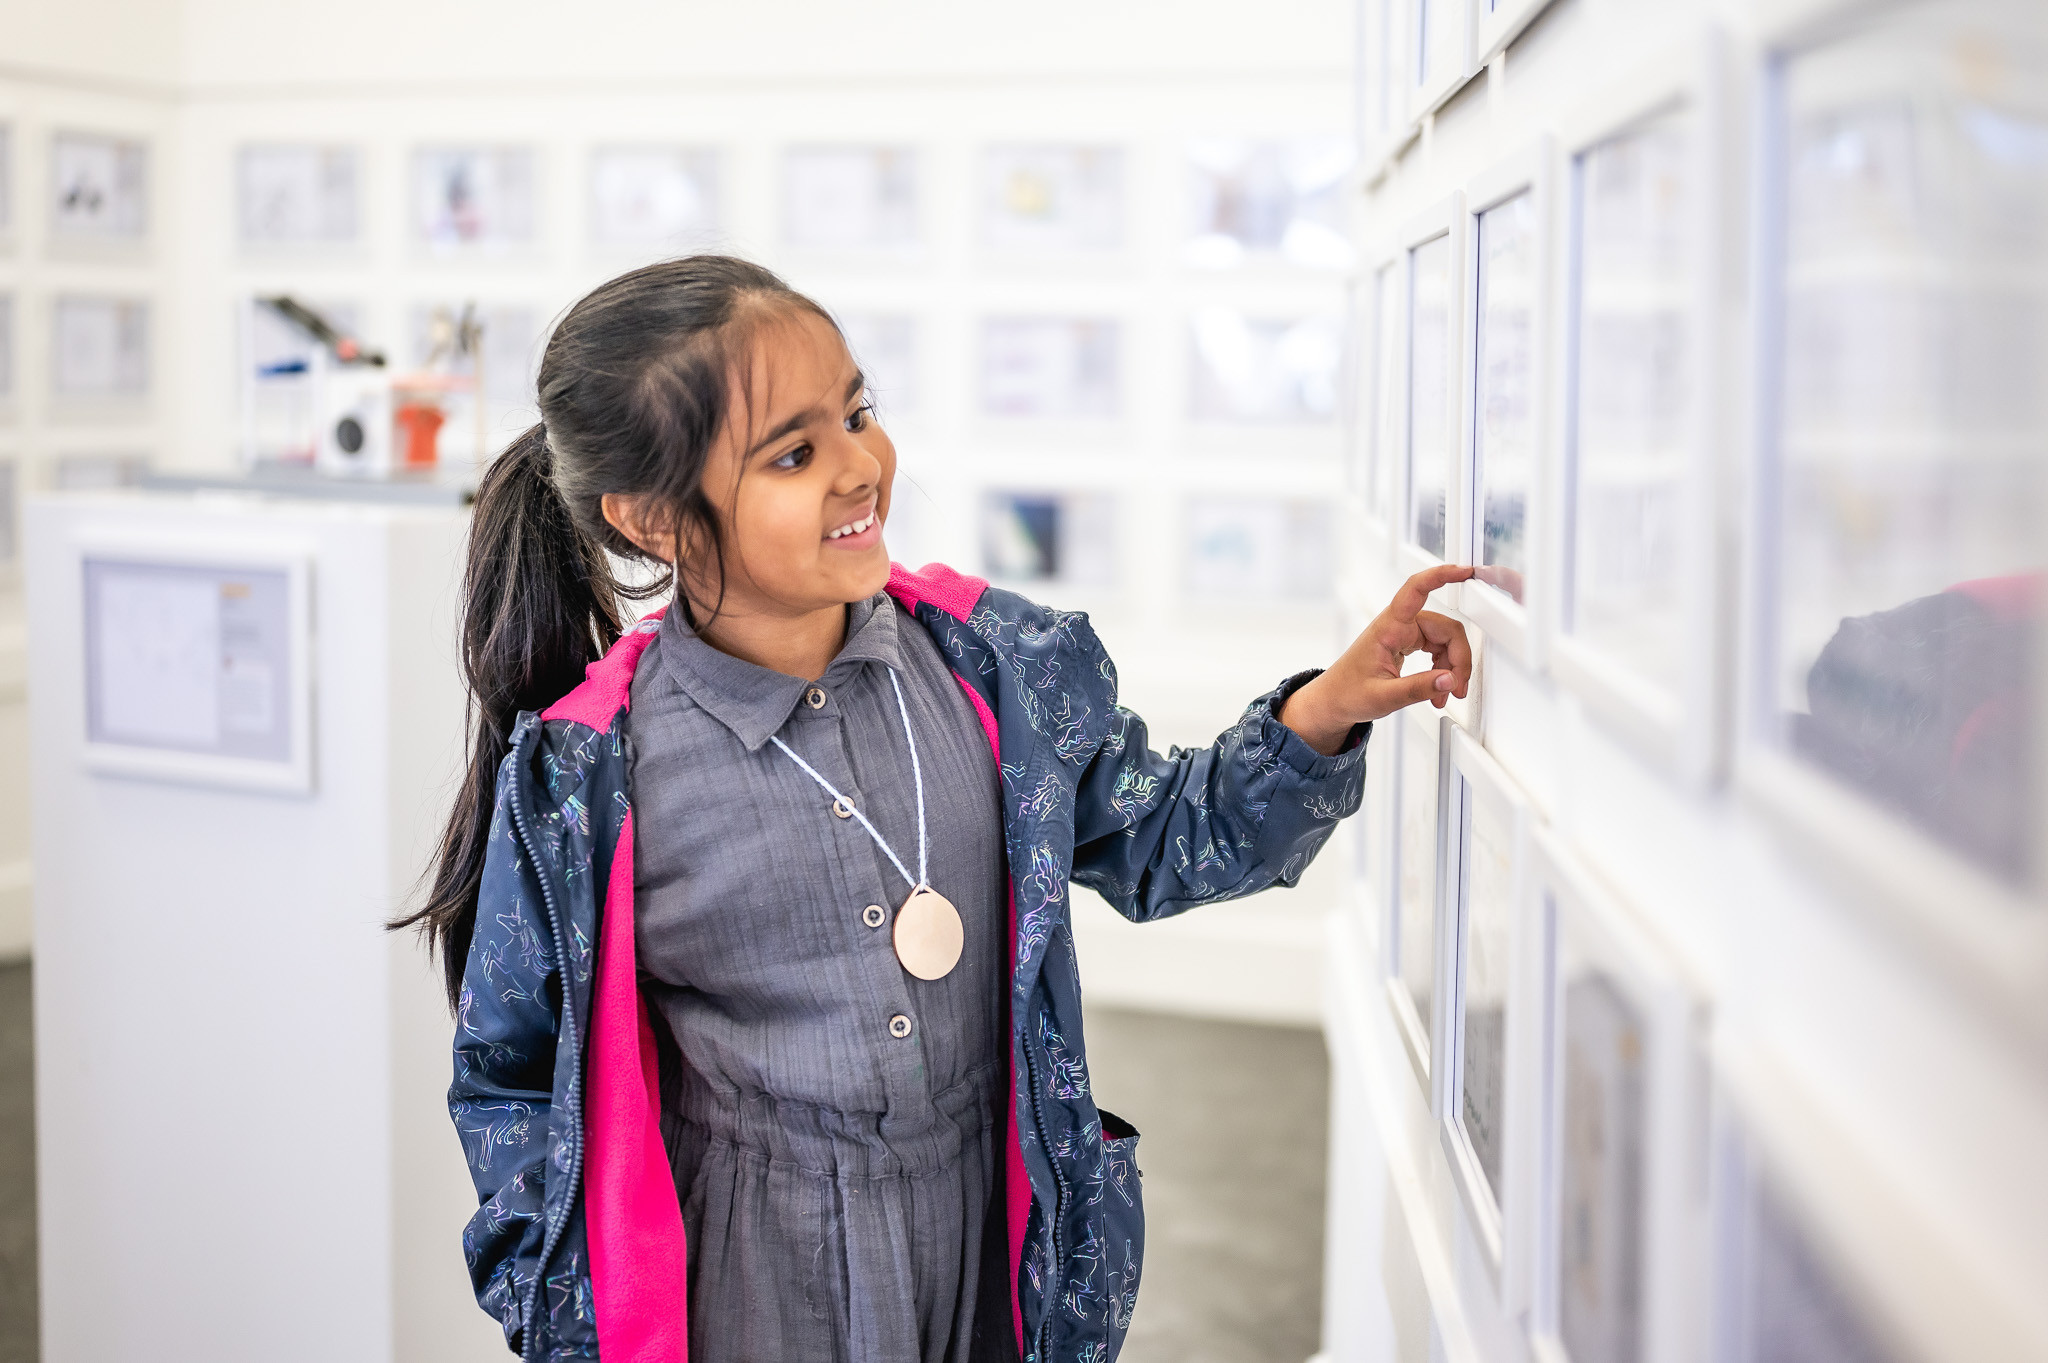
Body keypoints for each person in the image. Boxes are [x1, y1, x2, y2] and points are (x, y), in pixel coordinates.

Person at [397, 255, 1472, 1363]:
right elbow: (508, 1072)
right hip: (747, 1284)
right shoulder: (590, 776)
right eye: (795, 452)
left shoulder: (991, 669)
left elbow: (1166, 837)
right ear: (655, 519)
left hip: (982, 1250)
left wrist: (1325, 708)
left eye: (858, 411)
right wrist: (558, 1307)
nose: (861, 465)